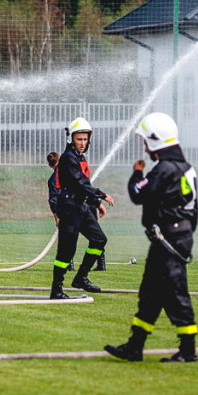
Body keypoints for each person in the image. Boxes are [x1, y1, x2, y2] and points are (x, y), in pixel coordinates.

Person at [106, 112, 198, 363]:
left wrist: (137, 173)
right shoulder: (184, 168)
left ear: (156, 141)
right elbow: (194, 210)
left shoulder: (165, 169)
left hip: (169, 240)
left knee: (176, 293)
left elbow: (138, 193)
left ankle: (188, 351)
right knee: (150, 293)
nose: (144, 147)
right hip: (171, 238)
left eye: (146, 141)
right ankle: (135, 347)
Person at [50, 117, 114, 299]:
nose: (83, 143)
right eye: (79, 139)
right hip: (69, 208)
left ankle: (81, 278)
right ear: (71, 138)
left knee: (99, 240)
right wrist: (102, 195)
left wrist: (96, 203)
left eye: (85, 139)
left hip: (81, 206)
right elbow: (79, 183)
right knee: (66, 251)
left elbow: (84, 184)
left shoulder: (80, 157)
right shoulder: (68, 159)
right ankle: (56, 290)